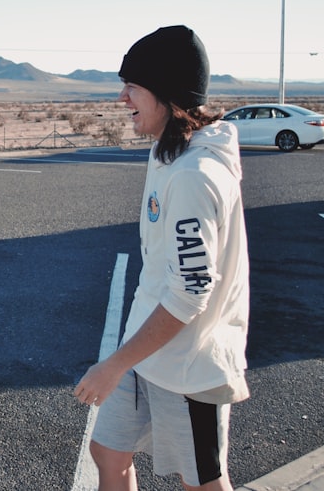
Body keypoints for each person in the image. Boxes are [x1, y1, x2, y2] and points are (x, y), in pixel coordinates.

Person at [73, 26, 250, 491]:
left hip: (189, 365)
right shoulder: (168, 152)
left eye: (132, 86)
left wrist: (112, 365)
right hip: (146, 351)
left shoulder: (196, 175)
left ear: (167, 95)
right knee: (108, 452)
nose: (121, 98)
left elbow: (191, 292)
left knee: (202, 483)